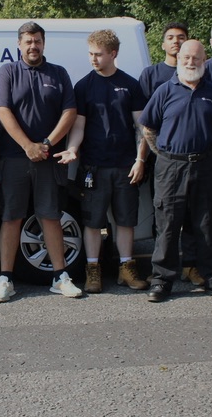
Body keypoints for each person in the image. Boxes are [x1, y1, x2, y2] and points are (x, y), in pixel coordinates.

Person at [0, 21, 82, 302]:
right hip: (14, 156)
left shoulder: (58, 73)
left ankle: (60, 277)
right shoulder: (8, 71)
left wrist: (47, 144)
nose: (33, 46)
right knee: (11, 217)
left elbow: (70, 112)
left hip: (48, 157)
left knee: (50, 216)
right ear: (19, 44)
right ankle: (5, 279)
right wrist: (27, 145)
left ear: (44, 43)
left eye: (38, 41)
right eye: (28, 41)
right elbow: (2, 110)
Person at [138, 40, 212, 302]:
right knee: (168, 225)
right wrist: (162, 153)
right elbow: (148, 127)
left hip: (205, 165)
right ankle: (161, 281)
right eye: (186, 58)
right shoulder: (164, 90)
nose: (191, 62)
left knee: (206, 224)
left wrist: (208, 148)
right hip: (170, 167)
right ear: (179, 59)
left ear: (204, 60)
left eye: (196, 58)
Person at [54, 29, 150, 293]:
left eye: (98, 54)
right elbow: (79, 126)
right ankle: (93, 270)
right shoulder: (83, 86)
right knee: (92, 222)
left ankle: (126, 268)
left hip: (125, 166)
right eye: (90, 54)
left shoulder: (130, 85)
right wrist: (72, 149)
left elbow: (142, 128)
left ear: (113, 53)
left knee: (125, 220)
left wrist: (140, 160)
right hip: (93, 167)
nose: (93, 59)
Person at [137, 21, 205, 289]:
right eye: (171, 37)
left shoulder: (199, 74)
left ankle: (191, 266)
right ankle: (164, 273)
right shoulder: (152, 75)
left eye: (181, 37)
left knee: (194, 217)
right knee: (165, 218)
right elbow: (145, 122)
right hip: (164, 160)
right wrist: (148, 156)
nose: (176, 41)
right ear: (163, 43)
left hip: (197, 159)